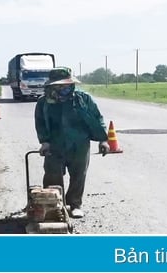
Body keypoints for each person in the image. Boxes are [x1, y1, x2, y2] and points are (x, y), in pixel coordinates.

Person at [34, 67, 110, 218]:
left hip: (79, 143)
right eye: (59, 85)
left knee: (78, 174)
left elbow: (97, 118)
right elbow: (40, 123)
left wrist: (103, 140)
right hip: (55, 144)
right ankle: (53, 205)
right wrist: (45, 142)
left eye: (66, 85)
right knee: (52, 174)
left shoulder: (83, 99)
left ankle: (75, 204)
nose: (63, 88)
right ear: (52, 86)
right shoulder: (44, 102)